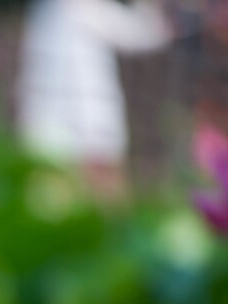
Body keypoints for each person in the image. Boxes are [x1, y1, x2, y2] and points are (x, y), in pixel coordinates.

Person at [18, 0, 172, 198]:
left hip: (56, 130)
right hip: (87, 125)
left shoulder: (50, 10)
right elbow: (147, 34)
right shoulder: (84, 8)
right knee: (101, 195)